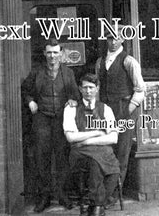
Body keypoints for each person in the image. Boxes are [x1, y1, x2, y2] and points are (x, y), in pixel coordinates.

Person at [21, 38, 81, 213]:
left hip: (61, 120)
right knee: (42, 159)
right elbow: (25, 90)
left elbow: (76, 94)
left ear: (61, 54)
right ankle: (45, 197)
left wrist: (72, 100)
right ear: (44, 54)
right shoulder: (37, 72)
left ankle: (62, 195)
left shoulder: (68, 73)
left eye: (55, 52)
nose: (52, 56)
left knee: (62, 158)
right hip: (42, 119)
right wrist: (30, 101)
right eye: (49, 52)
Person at [95, 26, 145, 207]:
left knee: (122, 155)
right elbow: (98, 88)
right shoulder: (100, 62)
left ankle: (113, 196)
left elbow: (140, 90)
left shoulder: (129, 61)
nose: (113, 41)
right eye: (109, 38)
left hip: (124, 110)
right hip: (106, 112)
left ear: (123, 39)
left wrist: (127, 111)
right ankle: (103, 193)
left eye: (117, 38)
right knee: (105, 152)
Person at [63, 73, 120, 216]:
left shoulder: (105, 109)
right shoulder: (71, 108)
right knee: (95, 163)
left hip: (98, 148)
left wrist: (88, 141)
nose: (88, 91)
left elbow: (113, 137)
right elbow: (71, 137)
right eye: (85, 87)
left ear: (97, 89)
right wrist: (97, 132)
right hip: (79, 152)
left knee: (113, 170)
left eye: (91, 87)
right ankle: (98, 207)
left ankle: (95, 205)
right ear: (80, 89)